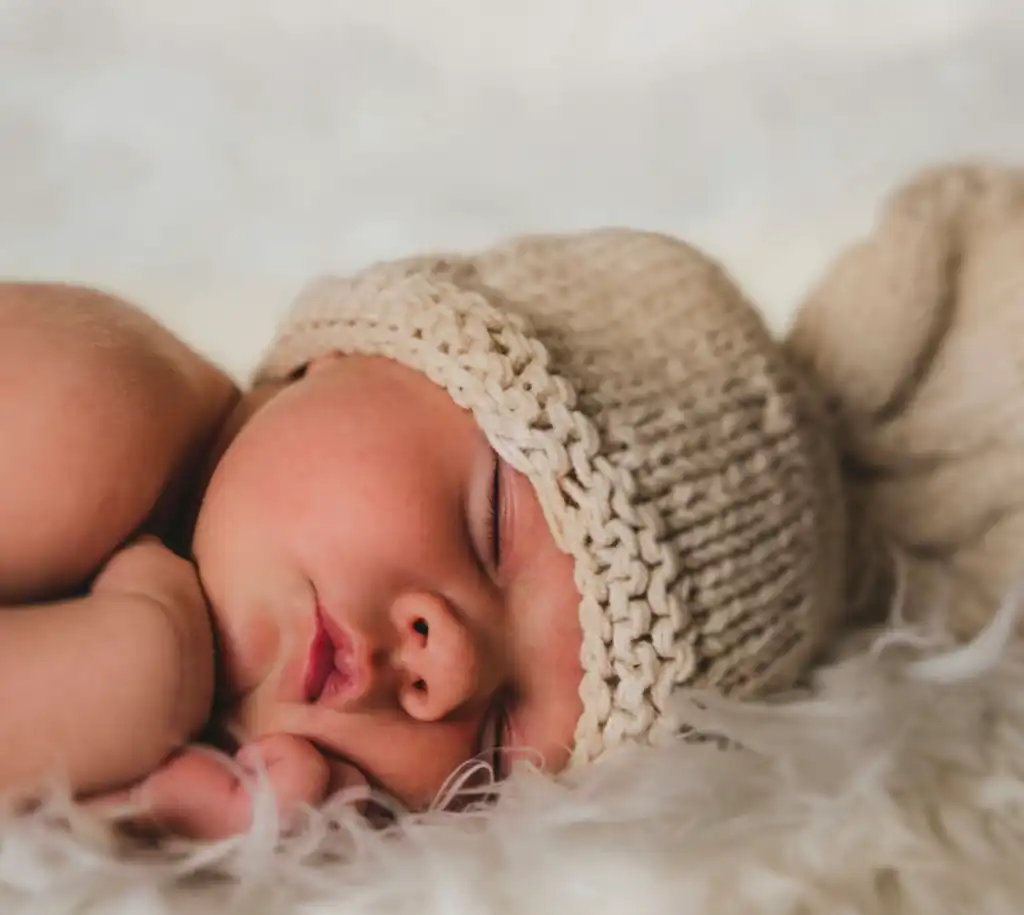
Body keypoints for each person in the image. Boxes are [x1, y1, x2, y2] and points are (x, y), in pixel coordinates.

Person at [12, 161, 1014, 839]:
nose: (444, 663)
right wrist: (142, 669)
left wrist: (146, 808)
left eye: (493, 740)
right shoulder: (94, 405)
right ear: (348, 351)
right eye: (488, 524)